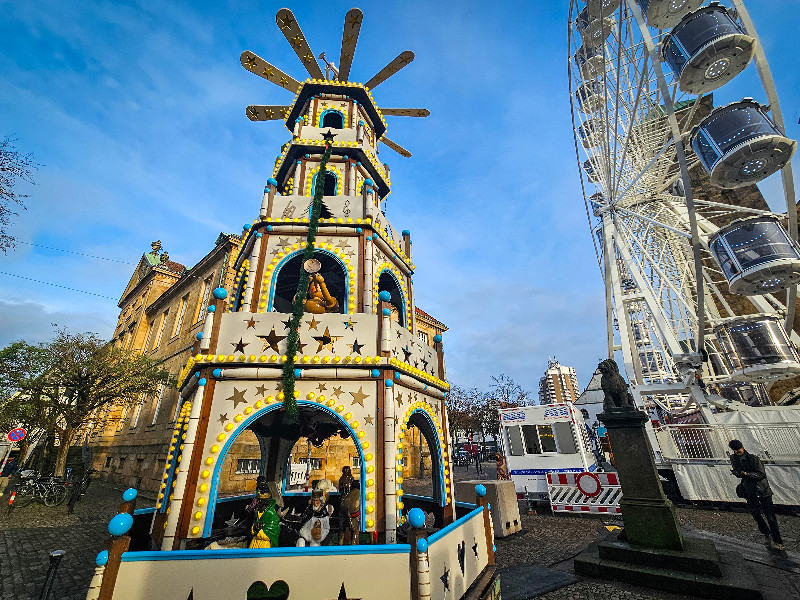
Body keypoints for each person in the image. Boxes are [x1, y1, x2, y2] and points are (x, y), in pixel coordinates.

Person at [729, 439, 784, 551]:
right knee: (755, 514)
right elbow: (738, 472)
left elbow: (761, 474)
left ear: (742, 447)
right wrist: (737, 473)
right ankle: (766, 532)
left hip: (762, 490)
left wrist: (746, 474)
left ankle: (778, 541)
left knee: (770, 517)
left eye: (738, 450)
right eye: (735, 450)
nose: (736, 452)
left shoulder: (753, 458)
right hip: (749, 490)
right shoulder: (734, 458)